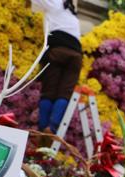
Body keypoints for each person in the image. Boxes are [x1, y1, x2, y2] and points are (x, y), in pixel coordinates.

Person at [28, 0, 82, 134]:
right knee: (65, 93)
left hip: (57, 50)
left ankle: (43, 129)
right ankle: (53, 127)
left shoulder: (54, 2)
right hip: (76, 55)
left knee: (49, 92)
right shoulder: (72, 13)